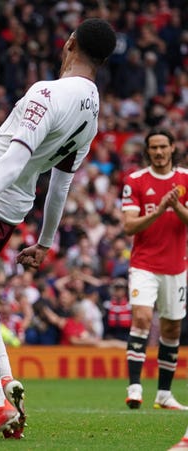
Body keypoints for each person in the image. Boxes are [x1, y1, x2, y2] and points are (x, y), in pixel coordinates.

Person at [0, 18, 116, 441]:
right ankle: (5, 386)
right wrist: (45, 241)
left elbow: (16, 158)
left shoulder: (47, 92)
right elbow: (61, 182)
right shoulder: (92, 112)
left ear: (69, 42)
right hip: (14, 208)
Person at [121, 128, 188, 411]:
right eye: (154, 148)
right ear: (147, 151)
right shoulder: (135, 181)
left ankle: (163, 394)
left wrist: (176, 207)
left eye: (163, 147)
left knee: (172, 328)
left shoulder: (186, 179)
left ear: (173, 148)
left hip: (176, 266)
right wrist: (159, 210)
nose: (159, 152)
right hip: (144, 264)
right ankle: (134, 388)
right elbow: (128, 226)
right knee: (142, 317)